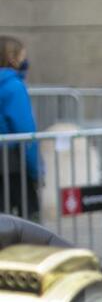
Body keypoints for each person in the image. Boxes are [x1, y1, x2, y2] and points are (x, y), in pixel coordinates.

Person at [0, 36, 41, 217]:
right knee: (30, 221)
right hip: (14, 166)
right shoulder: (14, 86)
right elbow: (25, 130)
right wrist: (36, 169)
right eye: (23, 56)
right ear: (12, 57)